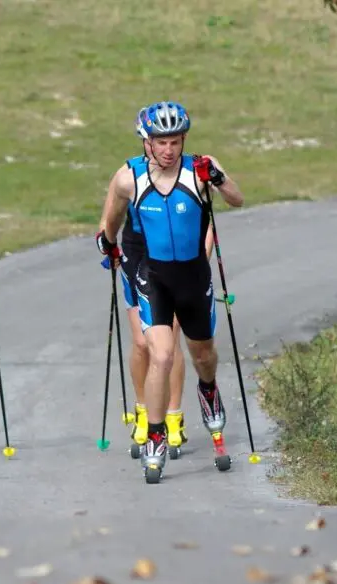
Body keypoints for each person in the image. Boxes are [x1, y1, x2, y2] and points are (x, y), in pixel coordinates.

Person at [96, 101, 244, 483]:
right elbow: (111, 217)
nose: (168, 149)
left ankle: (208, 390)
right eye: (161, 142)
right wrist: (107, 243)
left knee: (203, 356)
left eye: (175, 141)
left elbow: (236, 199)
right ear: (146, 142)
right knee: (160, 354)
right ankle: (156, 435)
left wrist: (220, 179)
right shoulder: (129, 177)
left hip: (194, 278)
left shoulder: (199, 169)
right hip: (153, 277)